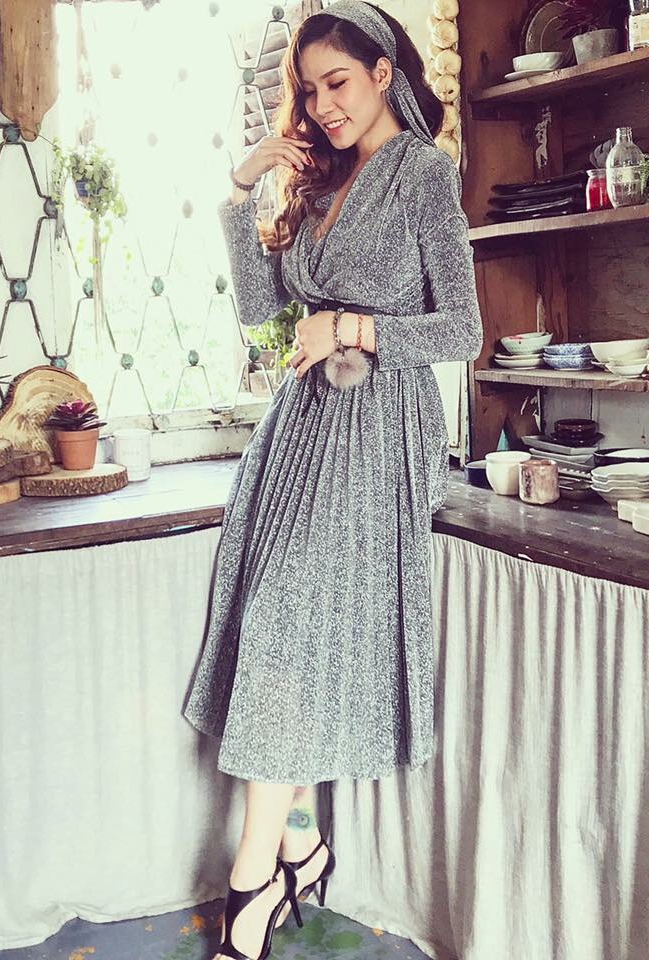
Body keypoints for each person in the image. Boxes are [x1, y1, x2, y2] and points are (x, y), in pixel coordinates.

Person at [181, 3, 483, 958]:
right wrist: (244, 185)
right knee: (280, 632)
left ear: (384, 72)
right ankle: (303, 846)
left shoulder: (425, 175)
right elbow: (261, 307)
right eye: (309, 90)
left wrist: (353, 328)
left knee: (286, 637)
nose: (322, 104)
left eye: (337, 82)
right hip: (303, 431)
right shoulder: (326, 179)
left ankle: (251, 888)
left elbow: (464, 330)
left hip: (378, 432)